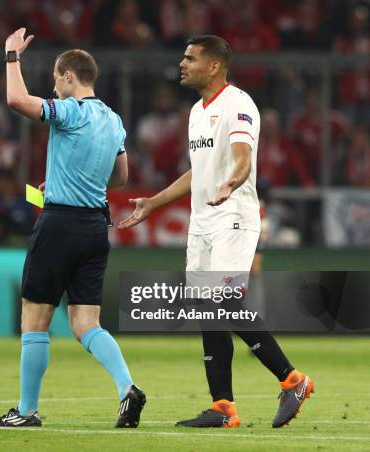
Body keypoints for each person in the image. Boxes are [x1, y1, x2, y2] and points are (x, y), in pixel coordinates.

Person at [119, 35, 313, 428]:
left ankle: (293, 380)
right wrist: (154, 202)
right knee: (208, 309)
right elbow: (200, 170)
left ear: (213, 66)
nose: (182, 63)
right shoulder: (195, 112)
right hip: (202, 223)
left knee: (222, 301)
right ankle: (223, 407)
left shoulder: (238, 104)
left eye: (190, 58)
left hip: (233, 218)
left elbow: (242, 158)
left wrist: (232, 183)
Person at [0, 28, 145, 428]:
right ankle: (127, 388)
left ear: (70, 76)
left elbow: (17, 100)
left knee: (35, 319)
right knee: (86, 323)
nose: (53, 87)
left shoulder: (72, 111)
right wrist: (70, 177)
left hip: (58, 225)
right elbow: (121, 176)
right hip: (95, 227)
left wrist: (11, 56)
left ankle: (26, 412)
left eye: (56, 79)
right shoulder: (114, 120)